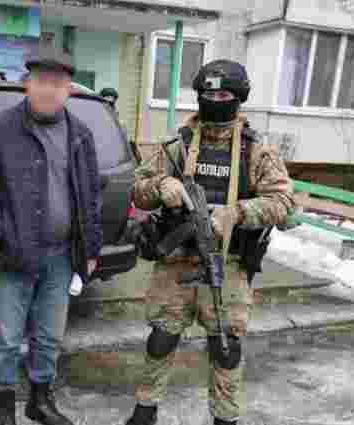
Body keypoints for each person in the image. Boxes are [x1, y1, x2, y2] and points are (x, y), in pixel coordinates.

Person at [124, 59, 295, 425]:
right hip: (175, 266)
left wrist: (239, 213)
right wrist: (161, 185)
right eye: (209, 95)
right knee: (160, 340)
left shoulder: (257, 151)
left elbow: (284, 203)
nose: (215, 101)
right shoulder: (177, 146)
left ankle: (225, 417)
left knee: (226, 349)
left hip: (227, 267)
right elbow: (136, 190)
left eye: (224, 95)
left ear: (239, 98)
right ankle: (145, 410)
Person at [0, 46, 103, 425]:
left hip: (62, 256)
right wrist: (1, 230)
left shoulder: (80, 134)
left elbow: (90, 195)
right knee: (7, 338)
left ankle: (40, 401)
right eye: (41, 81)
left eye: (57, 83)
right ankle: (4, 411)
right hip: (13, 254)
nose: (48, 89)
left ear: (69, 89)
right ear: (27, 83)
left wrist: (91, 249)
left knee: (49, 336)